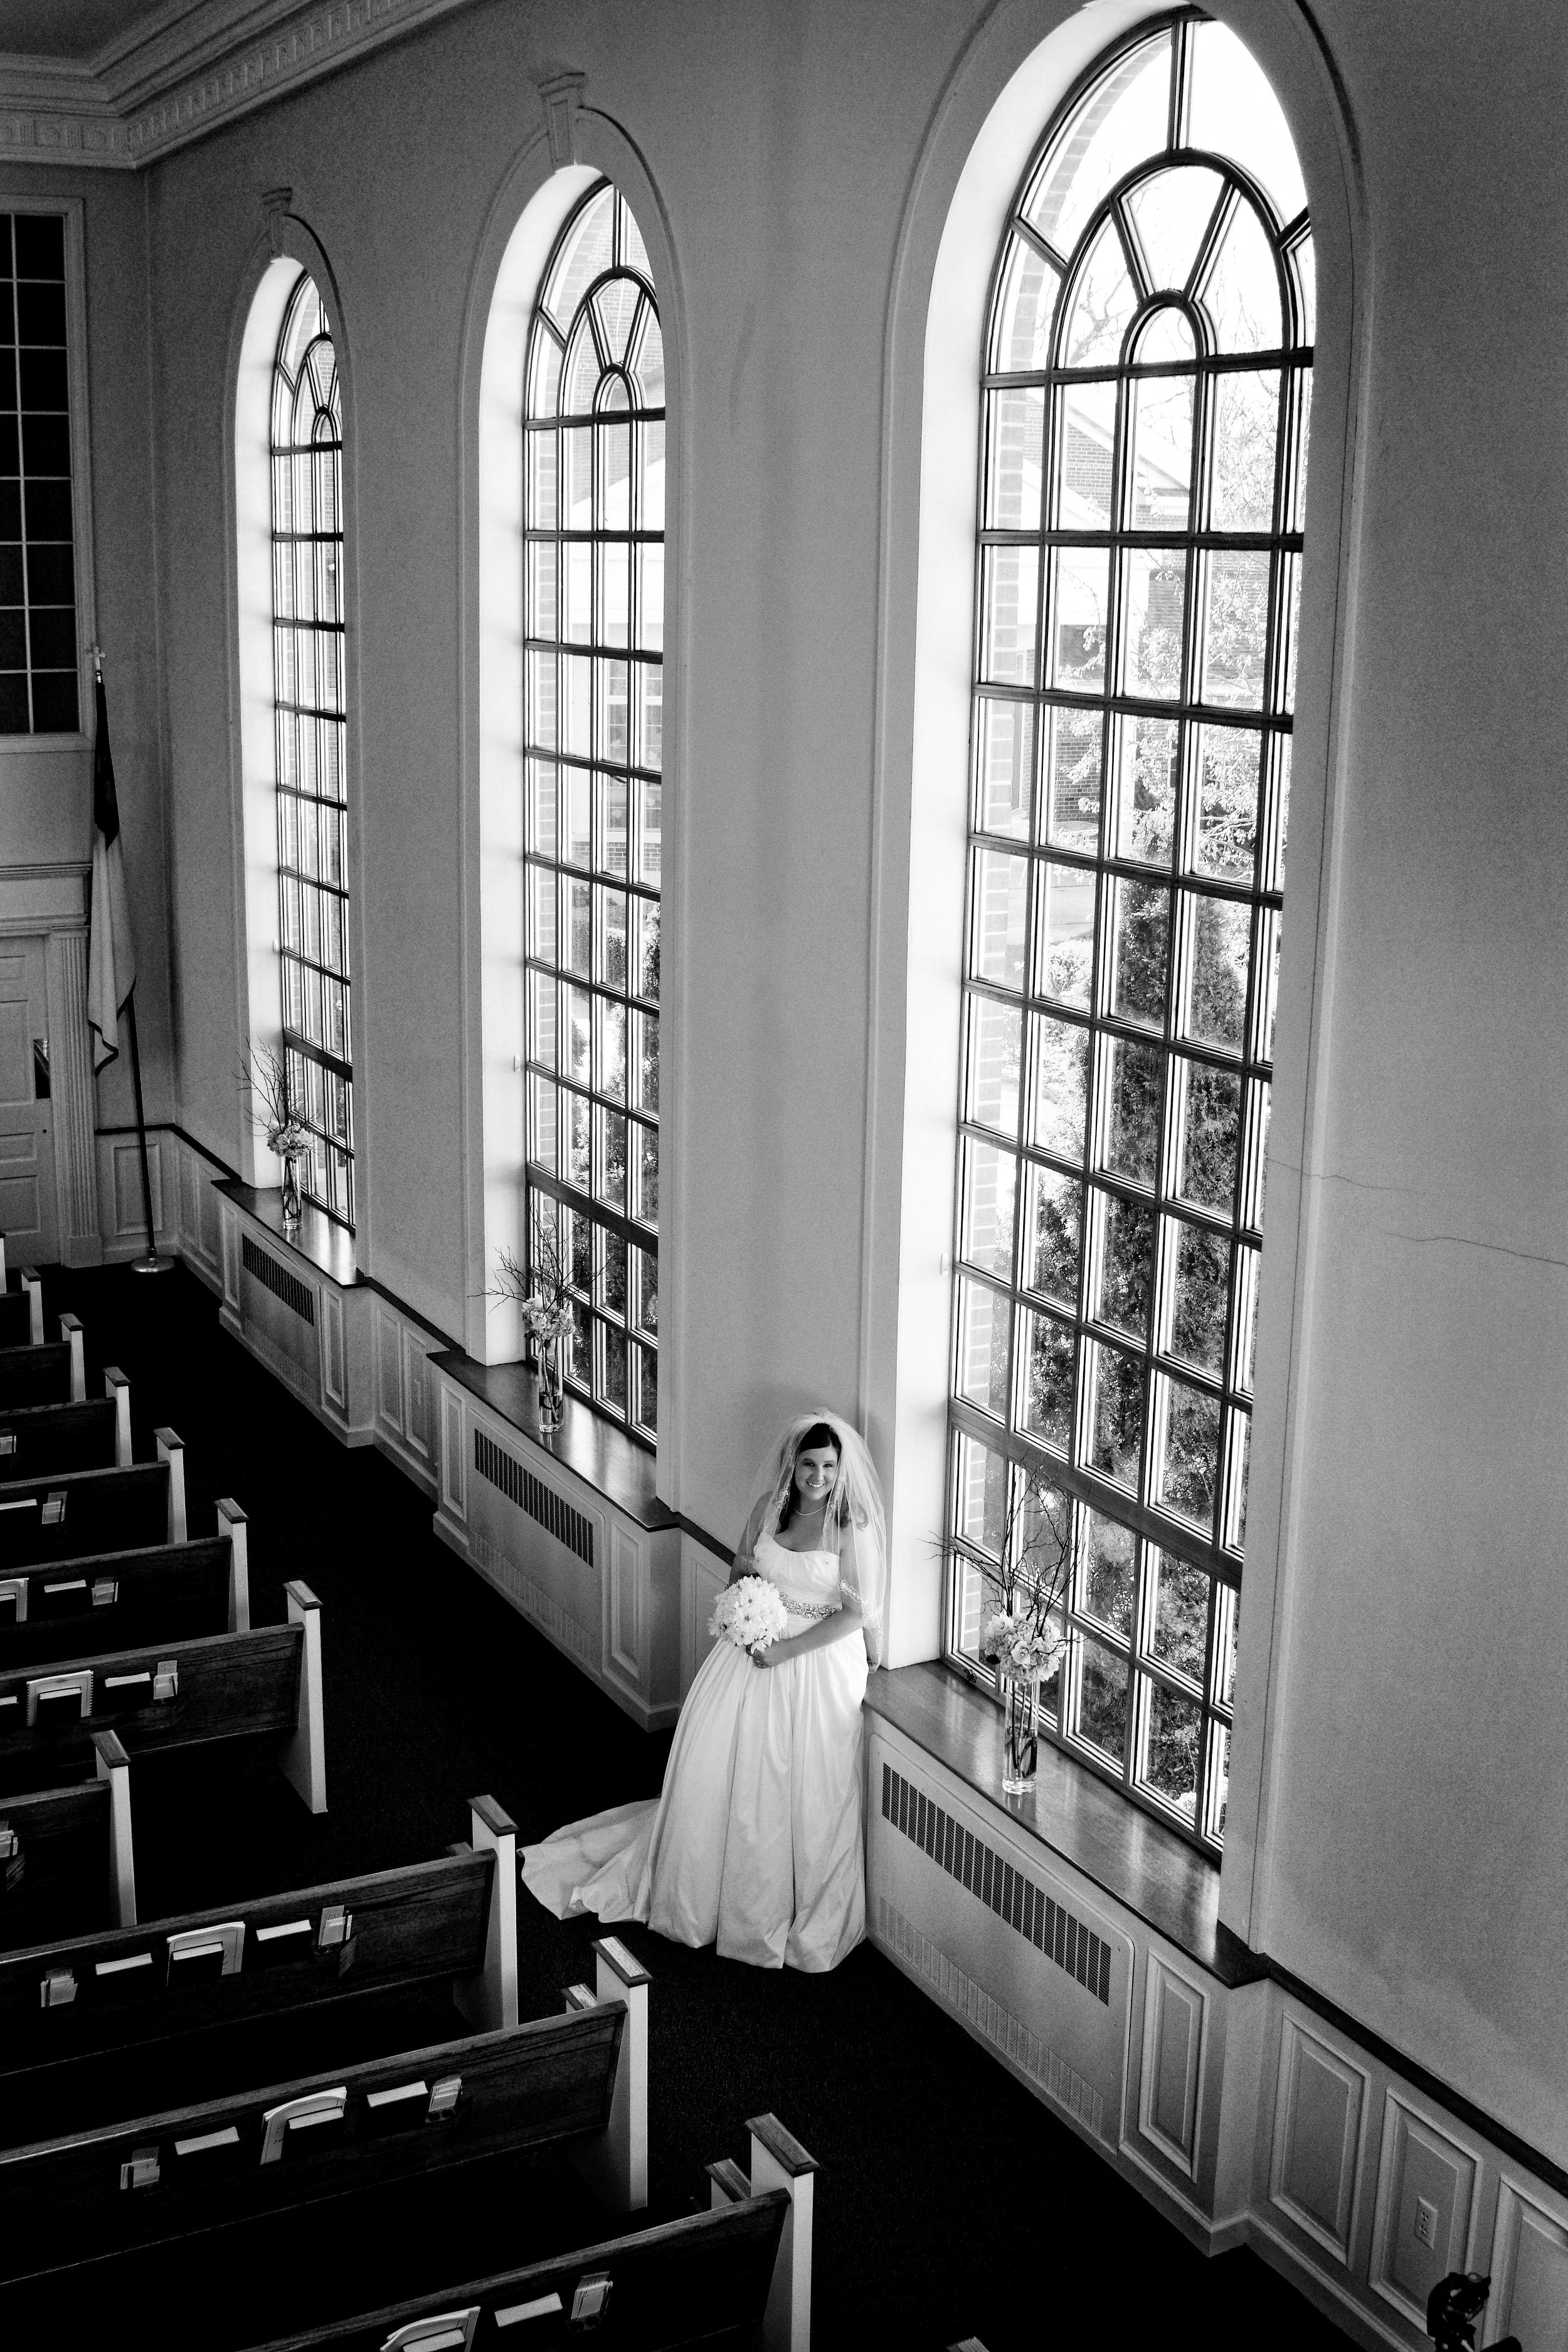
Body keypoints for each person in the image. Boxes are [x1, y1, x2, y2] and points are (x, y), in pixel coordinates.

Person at [521, 1409, 886, 1972]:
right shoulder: (770, 1507)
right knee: (717, 1765)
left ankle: (781, 1909)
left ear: (842, 1470)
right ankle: (700, 1894)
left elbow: (856, 1616)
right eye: (810, 1464)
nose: (818, 1476)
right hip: (752, 1646)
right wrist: (746, 1612)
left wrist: (785, 1649)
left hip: (813, 1665)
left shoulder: (848, 1528)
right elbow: (742, 1569)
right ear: (794, 1463)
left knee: (798, 1784)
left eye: (829, 1466)